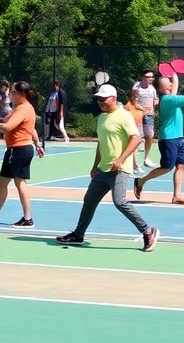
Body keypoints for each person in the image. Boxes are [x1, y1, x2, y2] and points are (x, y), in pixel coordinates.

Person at [56, 84, 160, 252]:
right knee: (89, 200)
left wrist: (121, 159)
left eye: (104, 99)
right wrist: (95, 165)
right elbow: (101, 143)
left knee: (120, 202)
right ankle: (78, 234)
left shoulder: (124, 116)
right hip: (103, 170)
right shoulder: (102, 118)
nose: (101, 102)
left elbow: (135, 139)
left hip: (120, 169)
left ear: (114, 98)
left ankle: (147, 231)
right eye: (99, 99)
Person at [0, 81, 44, 228]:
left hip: (17, 150)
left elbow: (7, 128)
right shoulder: (25, 108)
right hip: (24, 149)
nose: (11, 95)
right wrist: (37, 144)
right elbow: (31, 129)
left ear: (23, 94)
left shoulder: (22, 109)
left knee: (3, 182)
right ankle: (27, 218)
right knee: (20, 182)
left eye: (13, 93)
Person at [133, 69, 184, 206]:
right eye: (168, 83)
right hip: (168, 139)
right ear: (164, 88)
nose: (171, 84)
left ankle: (176, 197)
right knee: (167, 167)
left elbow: (174, 85)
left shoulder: (169, 98)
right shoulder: (169, 100)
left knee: (181, 166)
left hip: (178, 138)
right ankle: (140, 181)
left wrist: (174, 73)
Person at [131, 69, 159, 168]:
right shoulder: (136, 86)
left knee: (149, 136)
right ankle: (134, 164)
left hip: (149, 116)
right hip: (137, 114)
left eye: (152, 77)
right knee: (136, 138)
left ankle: (146, 158)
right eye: (148, 77)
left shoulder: (152, 89)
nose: (150, 79)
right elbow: (132, 101)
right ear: (143, 77)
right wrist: (141, 109)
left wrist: (154, 104)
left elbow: (155, 100)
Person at [124, 89, 145, 175]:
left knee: (135, 149)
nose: (136, 98)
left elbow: (144, 112)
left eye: (137, 97)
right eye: (135, 96)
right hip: (132, 128)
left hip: (139, 128)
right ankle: (134, 166)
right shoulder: (128, 106)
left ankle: (134, 166)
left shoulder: (137, 106)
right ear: (131, 97)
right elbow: (124, 116)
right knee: (133, 148)